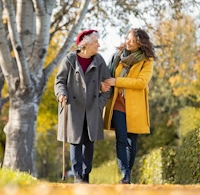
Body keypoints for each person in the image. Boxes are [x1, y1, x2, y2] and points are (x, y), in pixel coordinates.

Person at [54, 29, 111, 184]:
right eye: (96, 42)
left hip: (92, 108)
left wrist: (99, 104)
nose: (98, 45)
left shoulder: (99, 60)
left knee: (89, 142)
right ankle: (78, 176)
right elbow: (59, 81)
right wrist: (61, 94)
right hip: (73, 107)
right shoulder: (69, 59)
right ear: (85, 45)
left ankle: (86, 175)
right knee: (75, 141)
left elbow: (108, 85)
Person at [102, 28, 156, 184]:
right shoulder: (118, 57)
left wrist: (117, 81)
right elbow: (108, 74)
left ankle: (128, 175)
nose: (128, 42)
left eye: (132, 40)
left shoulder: (147, 61)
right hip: (117, 102)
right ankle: (125, 176)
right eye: (127, 38)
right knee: (121, 139)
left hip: (135, 106)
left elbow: (141, 83)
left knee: (132, 142)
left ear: (140, 44)